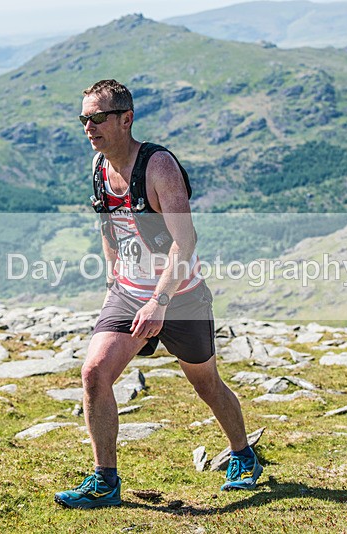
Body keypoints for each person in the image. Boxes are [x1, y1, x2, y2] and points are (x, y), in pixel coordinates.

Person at [54, 79, 262, 509]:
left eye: (97, 118)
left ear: (126, 119)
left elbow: (184, 242)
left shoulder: (158, 167)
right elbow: (107, 223)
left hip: (180, 297)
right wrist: (115, 280)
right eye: (83, 119)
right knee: (94, 373)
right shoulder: (98, 166)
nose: (88, 127)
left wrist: (159, 301)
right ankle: (105, 481)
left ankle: (244, 456)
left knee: (205, 382)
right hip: (130, 295)